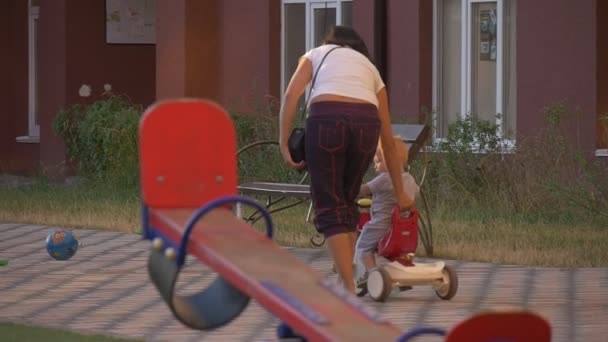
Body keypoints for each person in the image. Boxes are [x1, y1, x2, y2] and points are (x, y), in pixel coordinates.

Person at [279, 26, 414, 293]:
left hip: (327, 118)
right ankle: (346, 279)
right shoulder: (371, 69)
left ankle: (347, 286)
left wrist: (283, 142)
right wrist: (400, 192)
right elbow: (387, 138)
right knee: (347, 202)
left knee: (329, 205)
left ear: (330, 42)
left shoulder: (317, 53)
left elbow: (292, 94)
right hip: (367, 125)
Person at [354, 136, 419, 288]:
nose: (375, 165)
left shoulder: (384, 178)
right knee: (394, 252)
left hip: (381, 223)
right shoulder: (410, 179)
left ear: (392, 160)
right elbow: (414, 195)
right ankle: (402, 272)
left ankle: (371, 274)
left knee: (363, 247)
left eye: (378, 161)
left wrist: (348, 190)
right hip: (403, 226)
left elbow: (364, 190)